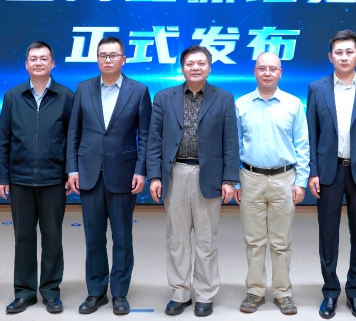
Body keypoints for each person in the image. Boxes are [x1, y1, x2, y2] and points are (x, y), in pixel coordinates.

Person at [146, 45, 239, 317]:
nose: (195, 67)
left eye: (201, 63)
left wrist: (229, 179)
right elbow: (154, 141)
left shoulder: (224, 98)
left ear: (209, 67)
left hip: (209, 176)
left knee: (206, 239)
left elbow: (230, 142)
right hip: (175, 173)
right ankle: (180, 292)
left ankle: (205, 293)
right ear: (182, 67)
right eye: (190, 63)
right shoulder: (164, 97)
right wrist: (155, 176)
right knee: (177, 238)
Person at [66, 36, 152, 315]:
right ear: (97, 59)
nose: (108, 59)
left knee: (122, 237)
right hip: (88, 173)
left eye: (113, 55)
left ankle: (119, 293)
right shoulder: (84, 88)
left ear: (123, 59)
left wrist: (141, 170)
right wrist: (72, 169)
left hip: (124, 174)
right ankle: (95, 291)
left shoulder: (139, 91)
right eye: (103, 55)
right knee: (93, 237)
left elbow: (145, 136)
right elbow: (74, 132)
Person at [306, 30, 356, 320]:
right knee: (328, 234)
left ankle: (354, 291)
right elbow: (311, 134)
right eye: (338, 52)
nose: (344, 57)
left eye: (349, 52)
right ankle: (330, 291)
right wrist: (312, 172)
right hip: (328, 171)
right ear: (330, 57)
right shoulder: (316, 88)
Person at [0, 41, 74, 314]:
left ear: (53, 63)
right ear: (26, 64)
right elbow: (3, 139)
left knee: (52, 238)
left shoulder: (66, 96)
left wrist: (70, 173)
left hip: (54, 179)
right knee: (23, 238)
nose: (38, 62)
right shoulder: (13, 96)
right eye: (33, 58)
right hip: (20, 179)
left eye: (44, 58)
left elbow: (72, 139)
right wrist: (2, 176)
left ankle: (51, 291)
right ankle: (24, 292)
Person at [234, 52, 309, 315]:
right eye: (262, 68)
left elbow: (302, 145)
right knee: (254, 240)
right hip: (250, 178)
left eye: (273, 68)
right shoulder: (241, 104)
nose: (267, 73)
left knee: (281, 241)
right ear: (255, 71)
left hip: (284, 179)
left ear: (280, 72)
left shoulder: (293, 104)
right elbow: (235, 145)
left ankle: (283, 293)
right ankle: (255, 291)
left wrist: (301, 181)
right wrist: (235, 181)